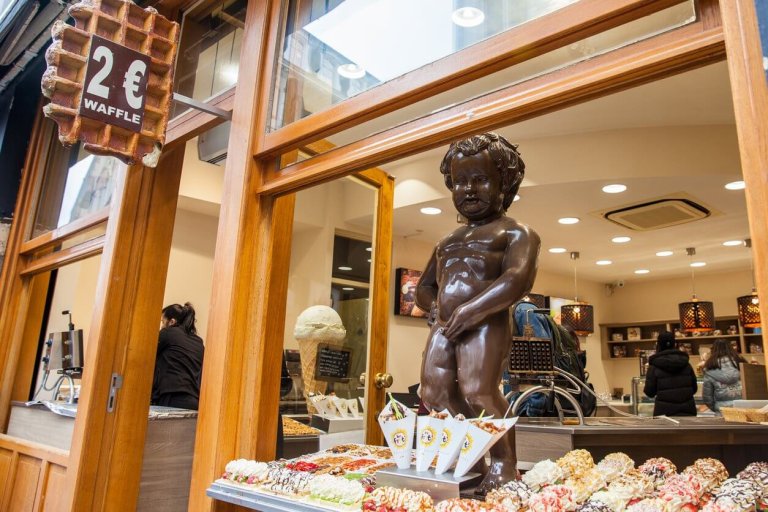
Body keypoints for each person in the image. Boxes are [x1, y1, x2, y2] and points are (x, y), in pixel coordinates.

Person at [416, 132, 540, 492]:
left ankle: (504, 462)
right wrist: (434, 306)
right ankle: (465, 455)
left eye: (481, 179)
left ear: (506, 183)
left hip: (486, 322)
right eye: (459, 181)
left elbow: (518, 279)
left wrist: (472, 310)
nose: (468, 189)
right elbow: (425, 287)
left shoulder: (517, 232)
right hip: (443, 326)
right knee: (434, 392)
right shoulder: (447, 241)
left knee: (478, 392)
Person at [152, 302, 205, 410]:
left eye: (162, 321)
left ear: (171, 321)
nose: (162, 326)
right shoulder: (198, 342)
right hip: (194, 401)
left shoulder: (168, 333)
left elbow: (148, 355)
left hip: (172, 398)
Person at [643, 331, 697, 416]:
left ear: (658, 345)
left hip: (664, 415)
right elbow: (694, 389)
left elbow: (649, 392)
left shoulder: (654, 366)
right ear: (674, 344)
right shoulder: (686, 364)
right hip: (687, 412)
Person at [702, 339, 746, 413]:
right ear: (730, 348)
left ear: (713, 350)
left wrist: (717, 408)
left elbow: (707, 398)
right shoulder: (741, 362)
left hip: (722, 411)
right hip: (745, 409)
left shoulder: (710, 367)